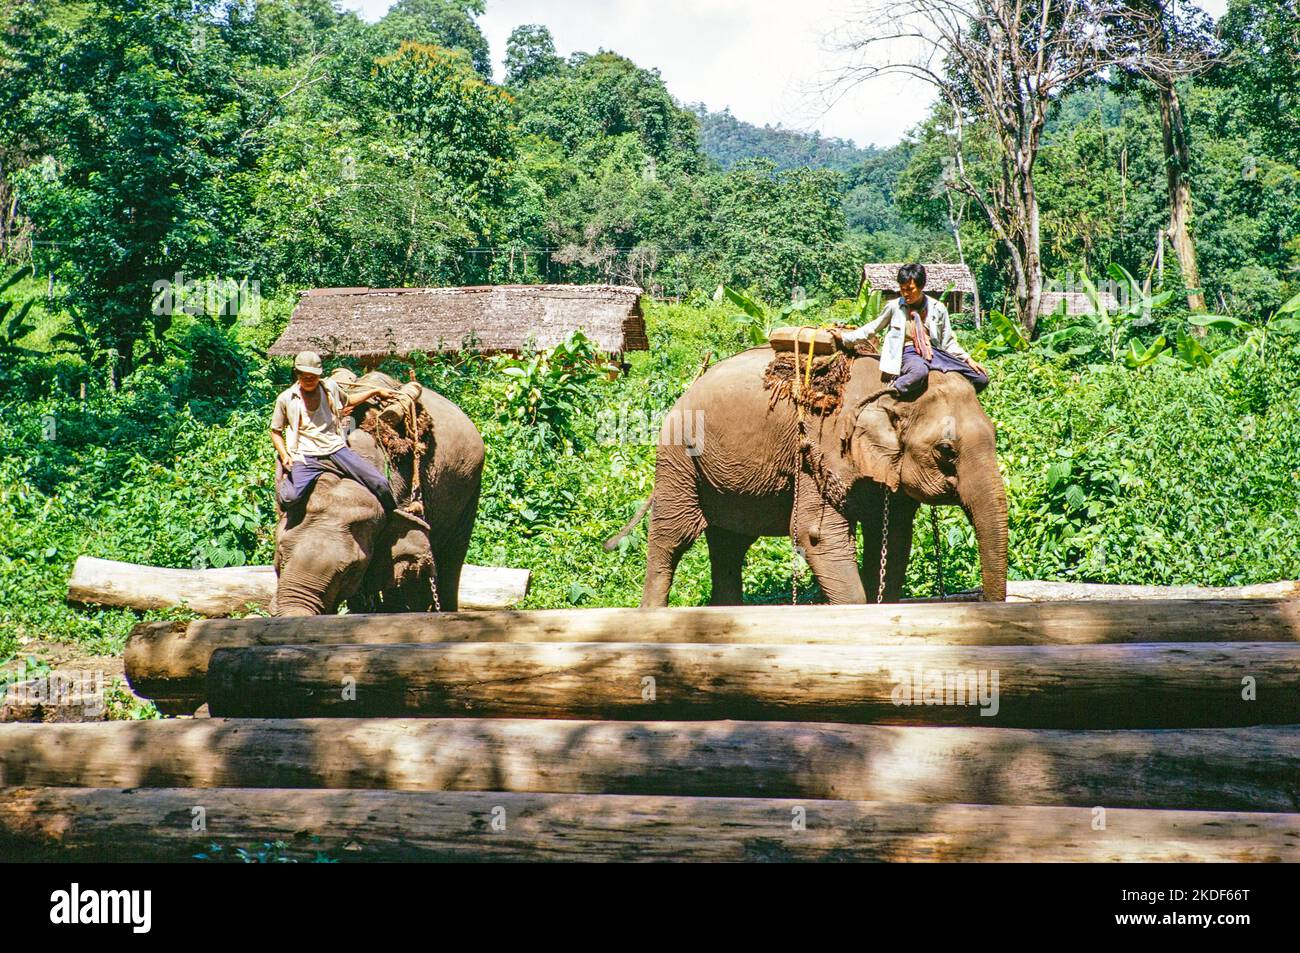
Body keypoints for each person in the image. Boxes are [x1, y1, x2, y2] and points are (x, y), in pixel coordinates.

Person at [270, 351, 403, 516]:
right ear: (297, 374)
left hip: (336, 449)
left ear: (320, 375)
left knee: (379, 482)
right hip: (306, 455)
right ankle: (285, 483)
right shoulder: (286, 398)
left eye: (313, 376)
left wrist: (374, 392)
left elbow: (348, 400)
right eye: (304, 376)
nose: (309, 380)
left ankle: (394, 516)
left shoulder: (330, 388)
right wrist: (284, 456)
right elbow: (275, 431)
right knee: (290, 498)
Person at [837, 263, 989, 396]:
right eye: (902, 289)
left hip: (935, 352)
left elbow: (948, 342)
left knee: (981, 378)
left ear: (921, 286)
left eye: (910, 289)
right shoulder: (894, 306)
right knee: (918, 372)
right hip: (909, 352)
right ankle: (891, 392)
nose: (905, 294)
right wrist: (844, 337)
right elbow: (873, 328)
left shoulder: (938, 308)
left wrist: (968, 359)